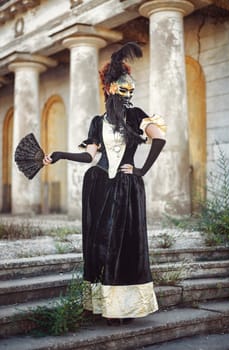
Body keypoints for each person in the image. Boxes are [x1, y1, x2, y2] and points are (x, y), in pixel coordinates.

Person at [43, 42, 166, 325]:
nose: (129, 92)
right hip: (98, 187)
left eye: (131, 88)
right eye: (123, 87)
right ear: (109, 88)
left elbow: (159, 138)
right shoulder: (97, 122)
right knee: (100, 244)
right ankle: (101, 304)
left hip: (126, 188)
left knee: (123, 243)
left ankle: (123, 308)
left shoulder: (136, 116)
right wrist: (59, 155)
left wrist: (140, 170)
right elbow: (90, 156)